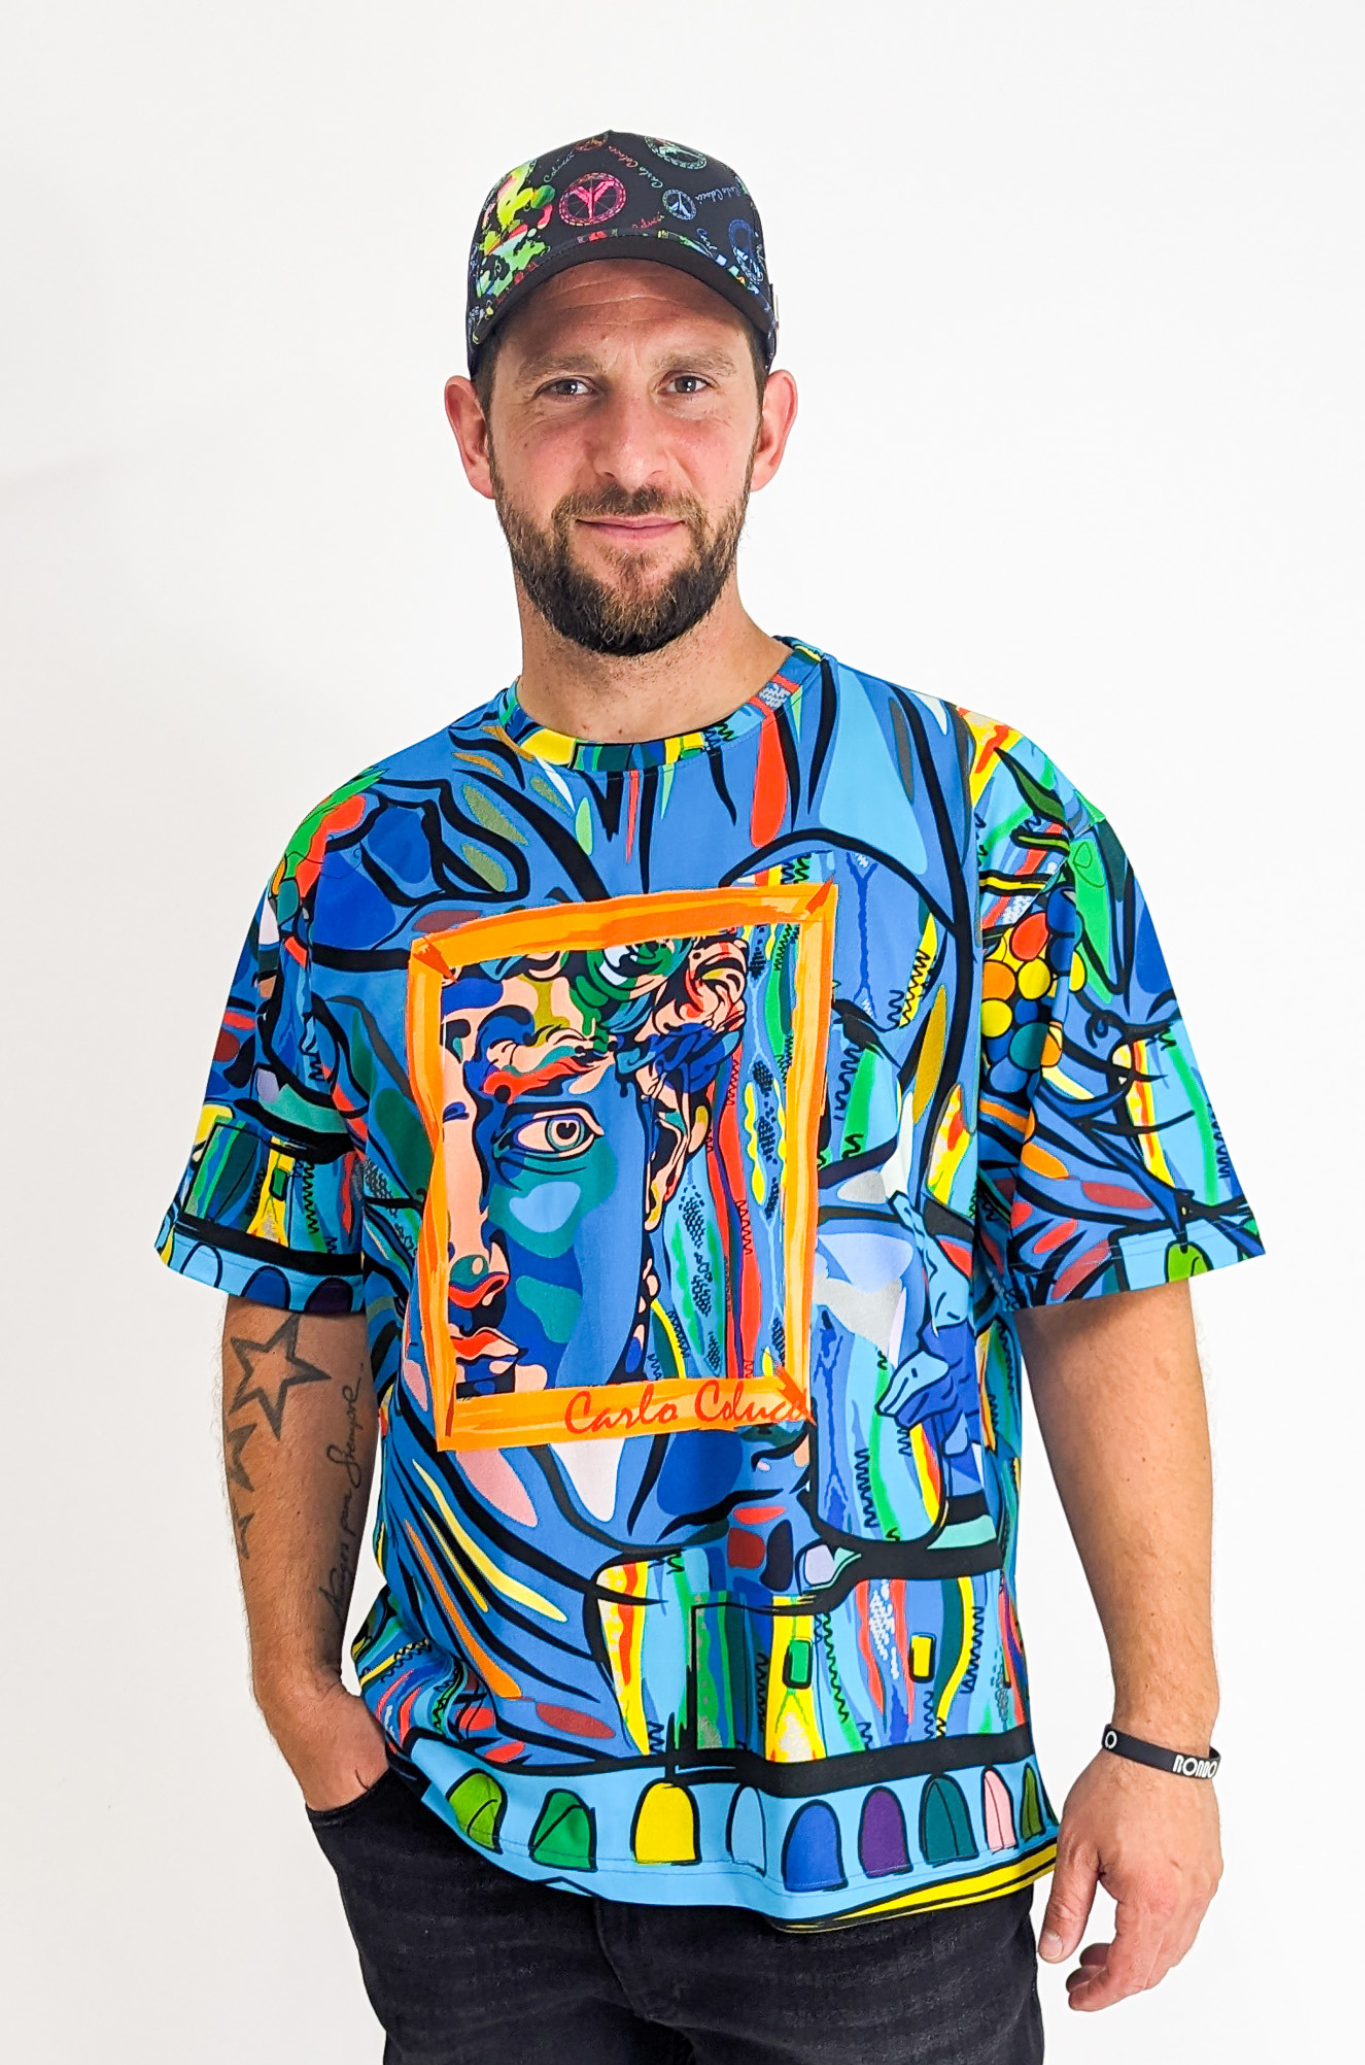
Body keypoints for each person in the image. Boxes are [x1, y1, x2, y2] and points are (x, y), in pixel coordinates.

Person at [156, 129, 1265, 2064]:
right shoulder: (362, 866)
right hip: (473, 1837)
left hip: (881, 1843)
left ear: (771, 423)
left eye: (687, 381)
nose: (630, 448)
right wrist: (298, 1695)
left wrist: (1165, 1738)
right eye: (565, 388)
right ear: (475, 434)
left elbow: (1107, 1279)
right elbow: (297, 1283)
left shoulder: (985, 822)